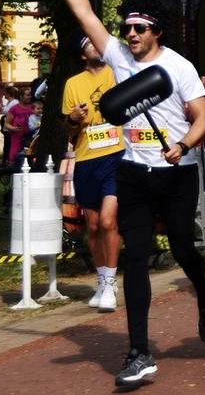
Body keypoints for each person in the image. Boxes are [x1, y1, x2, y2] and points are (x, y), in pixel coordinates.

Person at [45, 0, 205, 388]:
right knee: (136, 256)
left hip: (176, 173)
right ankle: (139, 351)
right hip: (133, 172)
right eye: (127, 28)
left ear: (156, 31)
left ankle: (204, 292)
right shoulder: (118, 57)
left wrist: (185, 145)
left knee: (182, 246)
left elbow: (203, 118)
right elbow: (83, 12)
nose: (131, 35)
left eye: (140, 29)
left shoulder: (178, 67)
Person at [62, 36, 125, 311]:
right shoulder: (73, 84)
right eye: (89, 44)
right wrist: (73, 118)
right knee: (95, 225)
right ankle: (101, 280)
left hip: (116, 155)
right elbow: (68, 129)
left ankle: (111, 283)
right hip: (86, 160)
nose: (96, 47)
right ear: (82, 55)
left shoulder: (117, 73)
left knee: (109, 221)